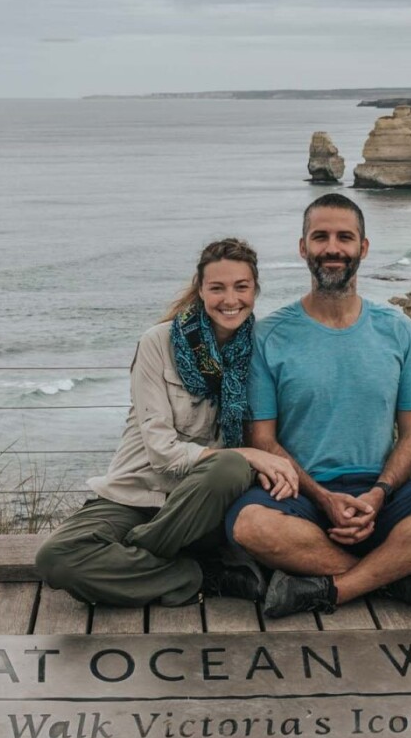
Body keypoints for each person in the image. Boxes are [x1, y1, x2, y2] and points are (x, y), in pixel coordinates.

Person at [225, 194, 411, 618]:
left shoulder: (398, 329)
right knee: (249, 524)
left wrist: (379, 494)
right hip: (301, 496)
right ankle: (393, 576)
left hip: (383, 493)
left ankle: (334, 589)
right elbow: (262, 440)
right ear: (303, 248)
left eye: (344, 237)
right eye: (321, 237)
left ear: (363, 248)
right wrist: (324, 497)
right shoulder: (268, 335)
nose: (333, 248)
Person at [35, 238, 299, 607]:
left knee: (228, 467)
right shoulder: (158, 343)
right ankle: (198, 574)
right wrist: (251, 455)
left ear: (255, 290)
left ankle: (132, 557)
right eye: (217, 288)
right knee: (56, 560)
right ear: (200, 289)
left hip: (204, 509)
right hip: (134, 495)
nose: (230, 299)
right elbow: (161, 454)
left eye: (242, 287)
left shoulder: (260, 351)